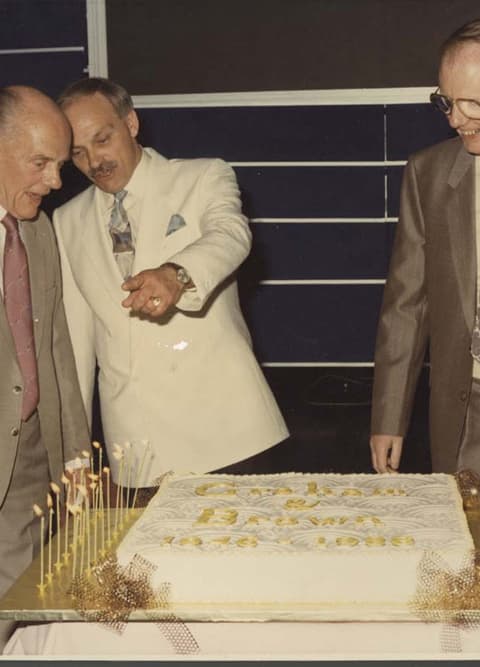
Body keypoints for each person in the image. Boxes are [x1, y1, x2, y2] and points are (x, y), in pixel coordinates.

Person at [53, 77, 289, 488]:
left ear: (131, 123)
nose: (94, 161)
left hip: (229, 434)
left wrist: (176, 274)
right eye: (78, 152)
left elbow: (231, 234)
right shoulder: (65, 220)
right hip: (137, 450)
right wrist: (74, 456)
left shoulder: (202, 176)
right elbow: (77, 345)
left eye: (103, 139)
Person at [370, 18, 480, 501]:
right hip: (468, 416)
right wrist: (389, 416)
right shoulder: (428, 173)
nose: (456, 120)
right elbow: (407, 304)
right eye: (446, 101)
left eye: (473, 104)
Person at [0, 86, 89, 646]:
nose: (55, 181)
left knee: (17, 605)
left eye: (59, 164)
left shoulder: (37, 230)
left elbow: (57, 348)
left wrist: (75, 453)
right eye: (41, 163)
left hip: (28, 455)